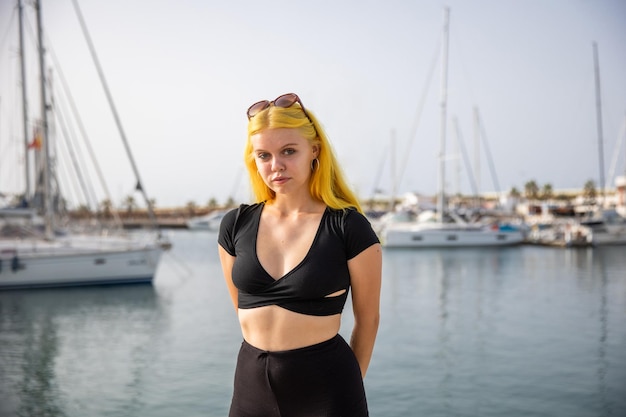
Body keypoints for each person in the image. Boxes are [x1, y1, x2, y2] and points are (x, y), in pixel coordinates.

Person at [218, 93, 382, 417]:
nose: (276, 165)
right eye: (264, 155)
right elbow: (241, 307)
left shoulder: (349, 227)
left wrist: (348, 390)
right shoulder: (235, 225)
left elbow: (368, 321)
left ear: (314, 151)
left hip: (328, 391)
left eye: (288, 151)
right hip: (252, 388)